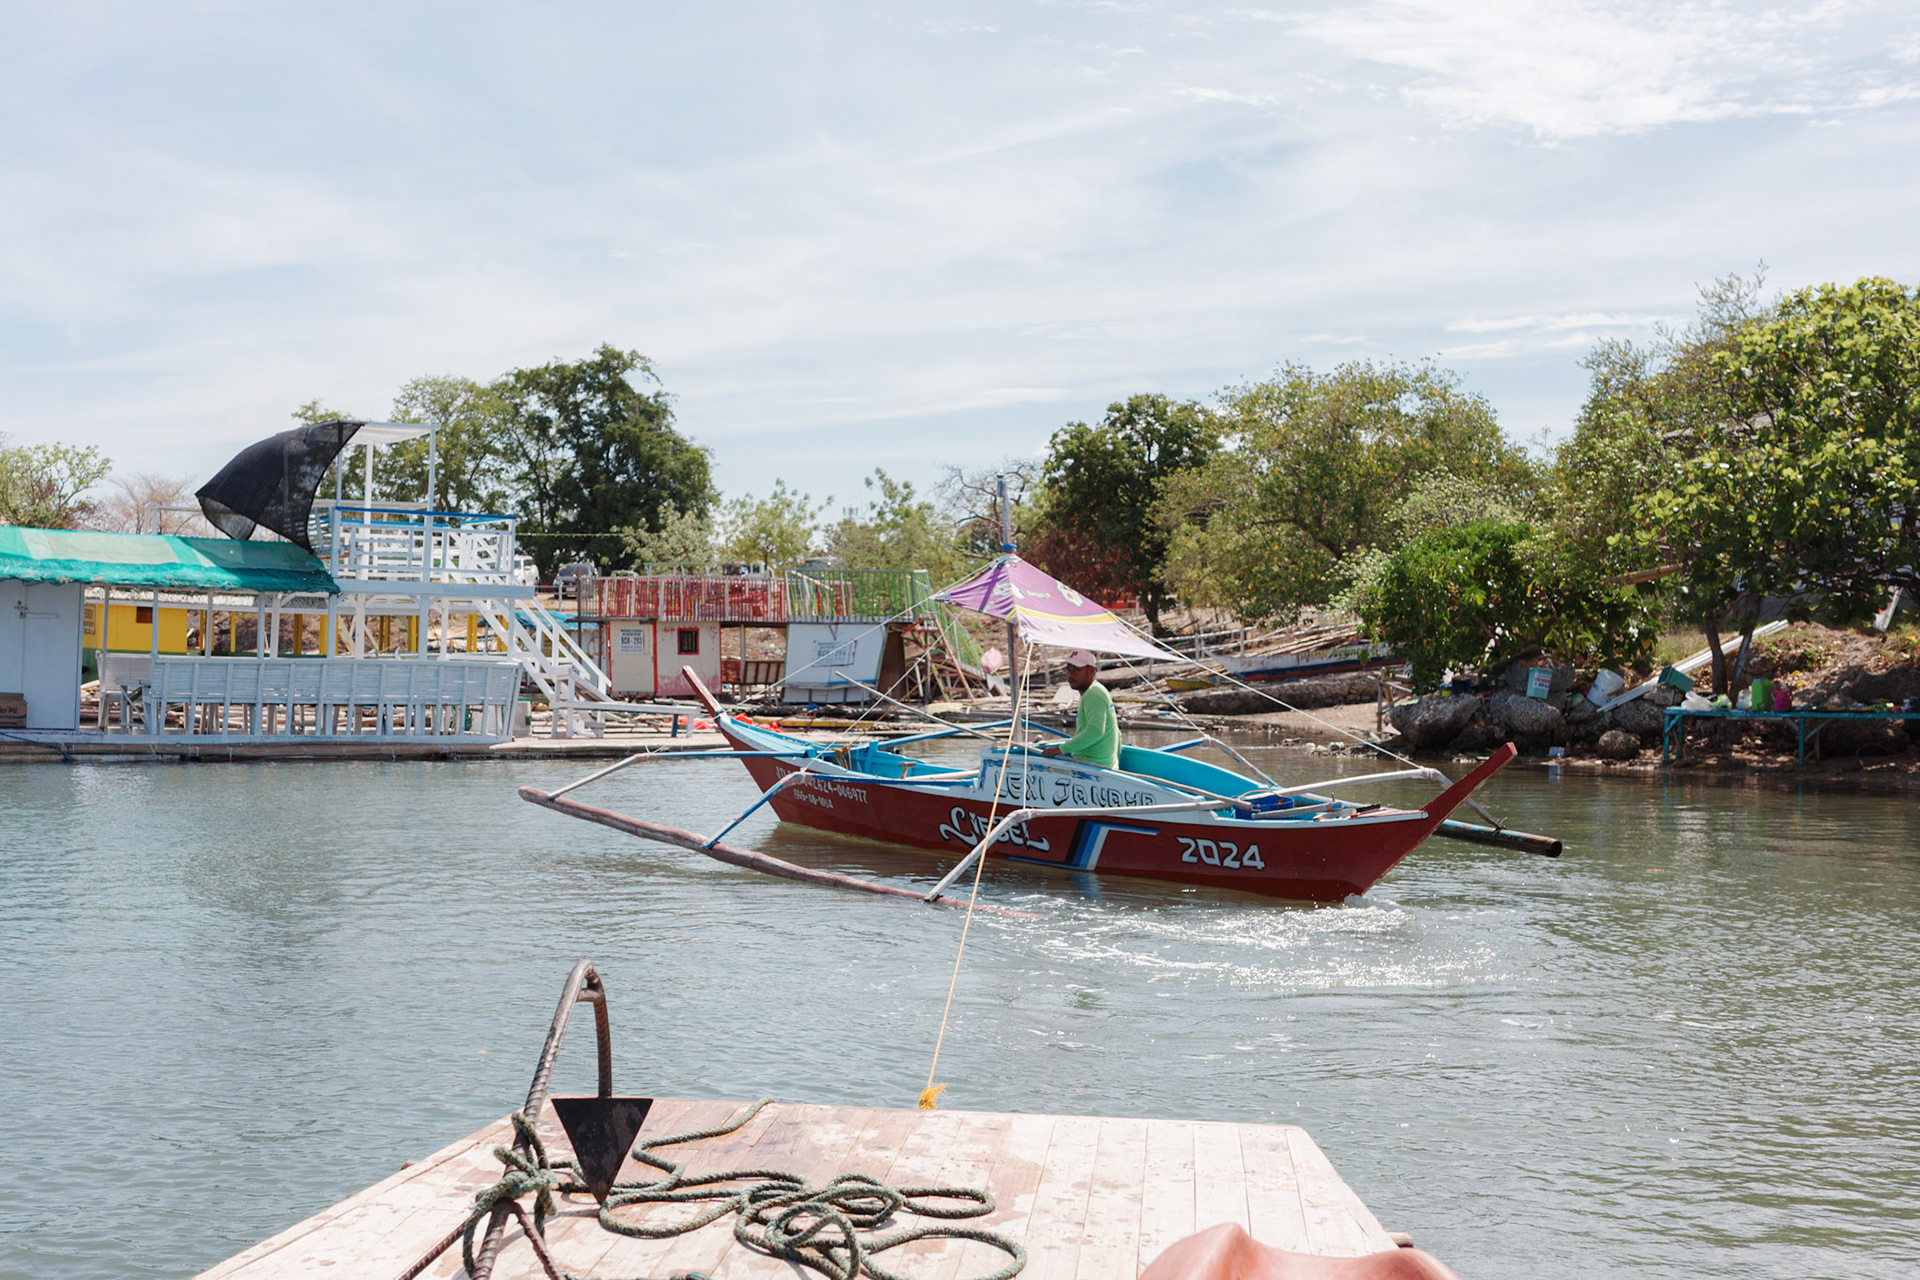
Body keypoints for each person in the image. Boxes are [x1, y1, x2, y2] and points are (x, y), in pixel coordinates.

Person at [1040, 650, 1120, 770]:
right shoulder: (1096, 690)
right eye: (1068, 670)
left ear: (1091, 670)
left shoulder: (1093, 694)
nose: (1070, 675)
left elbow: (1095, 731)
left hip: (1093, 767)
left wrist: (1060, 750)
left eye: (1076, 670)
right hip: (1100, 765)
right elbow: (1118, 733)